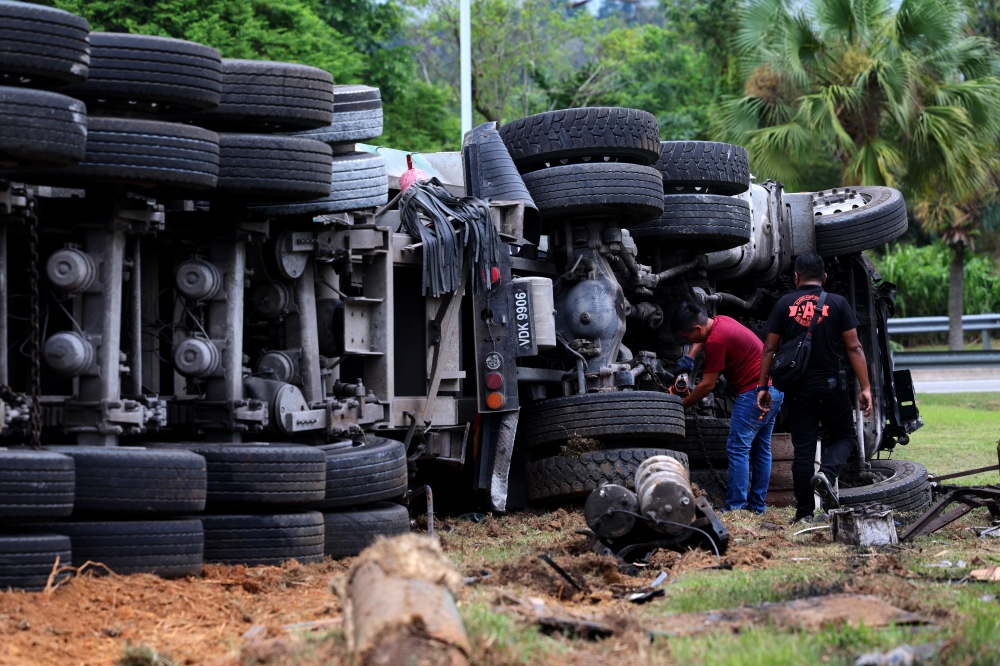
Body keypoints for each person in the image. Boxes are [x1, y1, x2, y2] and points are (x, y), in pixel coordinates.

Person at [756, 253, 873, 523]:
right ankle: (827, 474)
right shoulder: (838, 303)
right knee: (844, 436)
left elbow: (770, 348)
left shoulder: (784, 304)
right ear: (824, 278)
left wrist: (763, 386)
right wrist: (865, 388)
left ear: (796, 277)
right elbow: (855, 347)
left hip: (798, 390)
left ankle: (804, 514)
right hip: (833, 386)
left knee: (804, 452)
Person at [671, 302, 784, 514]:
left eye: (687, 338)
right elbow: (701, 339)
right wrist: (689, 358)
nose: (688, 342)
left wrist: (681, 405)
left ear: (697, 329)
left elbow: (707, 385)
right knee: (761, 450)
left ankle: (736, 508)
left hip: (753, 396)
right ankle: (757, 507)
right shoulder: (719, 322)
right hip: (773, 391)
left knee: (738, 449)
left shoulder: (716, 342)